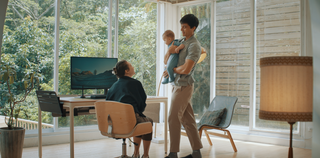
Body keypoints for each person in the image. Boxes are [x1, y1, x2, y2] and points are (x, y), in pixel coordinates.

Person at [163, 14, 203, 158]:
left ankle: (173, 153)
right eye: (181, 26)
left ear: (193, 28)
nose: (182, 29)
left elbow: (186, 69)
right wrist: (169, 51)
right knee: (188, 120)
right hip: (176, 85)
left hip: (184, 86)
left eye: (185, 27)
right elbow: (165, 61)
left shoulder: (194, 45)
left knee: (173, 117)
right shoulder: (179, 41)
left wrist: (171, 70)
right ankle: (197, 152)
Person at [106, 60, 152, 158]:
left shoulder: (113, 86)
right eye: (131, 66)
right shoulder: (135, 84)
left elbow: (107, 106)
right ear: (126, 71)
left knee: (139, 120)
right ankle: (145, 155)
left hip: (114, 125)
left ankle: (136, 153)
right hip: (130, 122)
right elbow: (141, 105)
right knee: (147, 122)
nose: (133, 67)